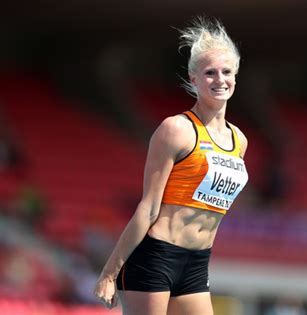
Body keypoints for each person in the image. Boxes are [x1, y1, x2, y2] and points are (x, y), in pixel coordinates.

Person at [93, 17, 249, 315]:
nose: (219, 79)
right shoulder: (175, 130)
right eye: (209, 73)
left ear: (236, 77)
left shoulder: (239, 140)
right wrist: (110, 273)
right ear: (193, 79)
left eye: (226, 72)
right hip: (156, 256)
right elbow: (148, 208)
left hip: (197, 262)